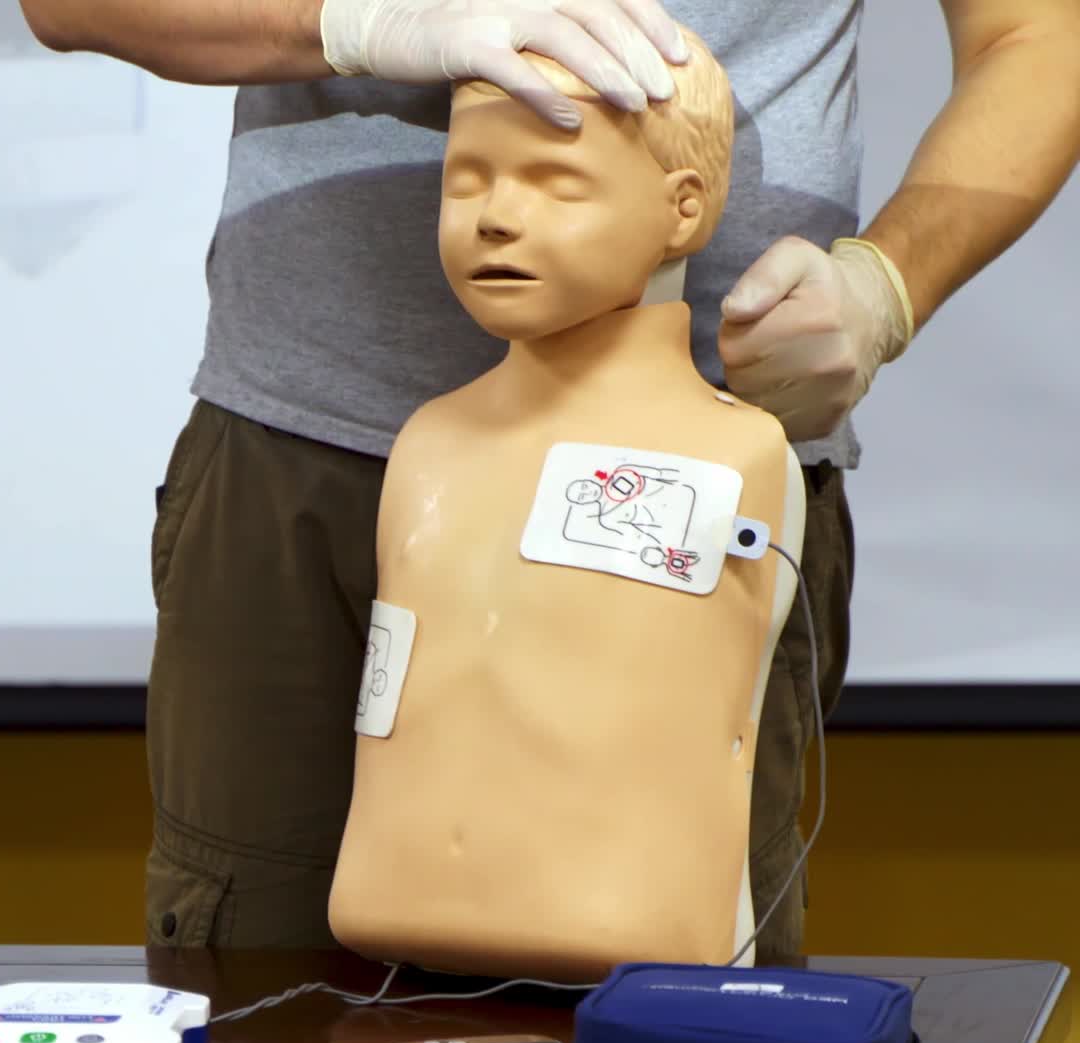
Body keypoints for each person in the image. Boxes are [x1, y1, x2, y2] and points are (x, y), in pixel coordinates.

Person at [17, 2, 1080, 1043]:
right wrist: (366, 19)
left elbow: (1038, 33)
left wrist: (885, 281)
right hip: (307, 459)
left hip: (707, 486)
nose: (498, 212)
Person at [328, 38, 805, 983]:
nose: (496, 219)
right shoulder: (428, 444)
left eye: (555, 182)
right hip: (398, 942)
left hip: (642, 948)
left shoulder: (736, 456)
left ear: (684, 209)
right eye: (466, 181)